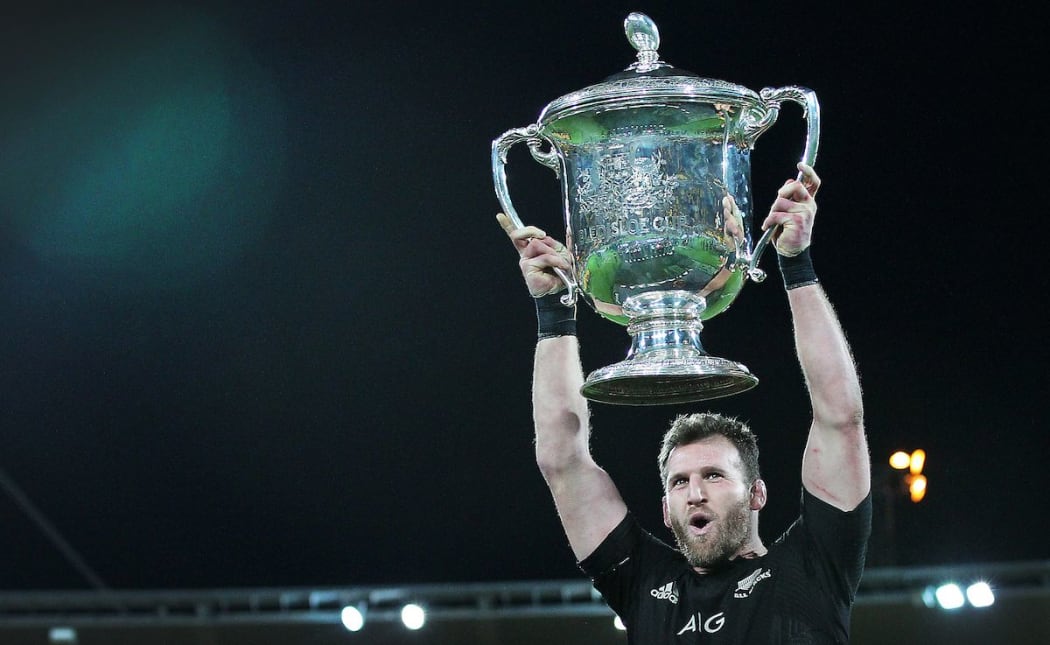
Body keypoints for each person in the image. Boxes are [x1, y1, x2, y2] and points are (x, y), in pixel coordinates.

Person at [496, 163, 871, 644]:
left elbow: (840, 418)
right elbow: (561, 460)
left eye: (713, 475)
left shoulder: (812, 570)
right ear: (665, 507)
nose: (694, 492)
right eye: (679, 481)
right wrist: (554, 310)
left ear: (756, 493)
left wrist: (796, 264)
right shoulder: (643, 583)